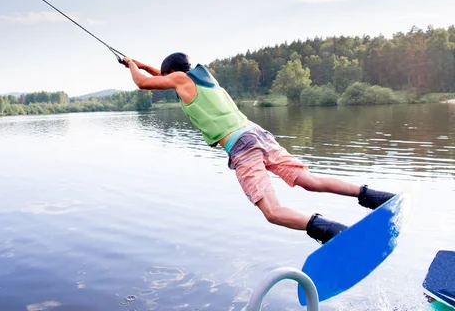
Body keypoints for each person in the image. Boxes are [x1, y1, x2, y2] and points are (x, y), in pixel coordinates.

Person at [122, 52, 395, 244]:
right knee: (308, 181)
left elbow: (144, 83)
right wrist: (134, 61)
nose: (168, 83)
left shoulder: (180, 79)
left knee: (272, 212)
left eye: (168, 77)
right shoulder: (203, 79)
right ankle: (376, 197)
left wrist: (134, 69)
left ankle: (335, 233)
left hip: (240, 145)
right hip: (258, 134)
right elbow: (159, 75)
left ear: (175, 73)